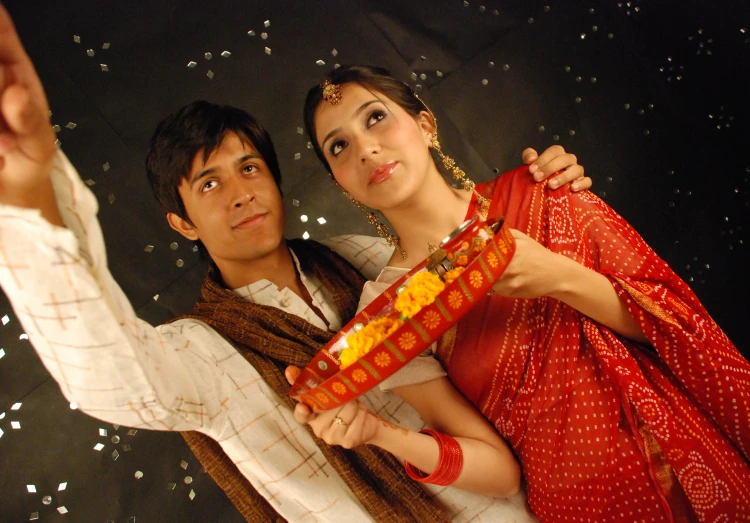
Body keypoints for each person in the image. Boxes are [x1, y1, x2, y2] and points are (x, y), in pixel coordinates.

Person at [0, 7, 591, 522]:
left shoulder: (359, 257)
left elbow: (494, 295)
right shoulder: (203, 354)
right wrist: (29, 202)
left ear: (278, 183)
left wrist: (541, 190)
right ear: (181, 223)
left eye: (250, 168)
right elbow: (104, 377)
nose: (240, 192)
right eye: (209, 183)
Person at [297, 65, 750, 522]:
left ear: (425, 125)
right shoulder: (385, 316)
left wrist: (556, 276)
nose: (365, 149)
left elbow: (671, 325)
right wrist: (379, 434)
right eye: (338, 147)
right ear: (341, 183)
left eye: (376, 118)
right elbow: (501, 475)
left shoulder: (541, 189)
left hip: (684, 459)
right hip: (582, 506)